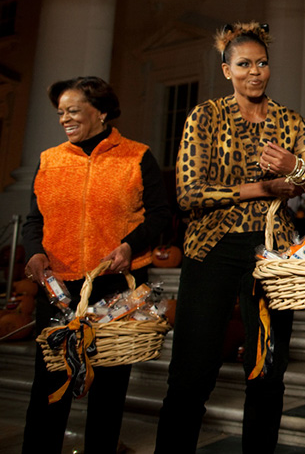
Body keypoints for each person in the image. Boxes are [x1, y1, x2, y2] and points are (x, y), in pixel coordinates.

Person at [154, 22, 305, 452]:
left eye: (262, 63)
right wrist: (261, 188)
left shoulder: (291, 122)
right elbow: (188, 195)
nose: (255, 72)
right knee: (192, 374)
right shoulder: (206, 117)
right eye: (244, 64)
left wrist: (297, 169)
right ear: (226, 69)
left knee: (268, 371)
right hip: (210, 249)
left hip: (273, 254)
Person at [21, 76, 171, 454]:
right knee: (50, 385)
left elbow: (160, 215)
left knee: (109, 388)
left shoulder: (137, 156)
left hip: (115, 290)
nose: (64, 119)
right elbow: (34, 219)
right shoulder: (49, 160)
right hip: (59, 290)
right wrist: (35, 251)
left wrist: (128, 246)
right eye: (60, 113)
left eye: (73, 110)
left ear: (101, 112)